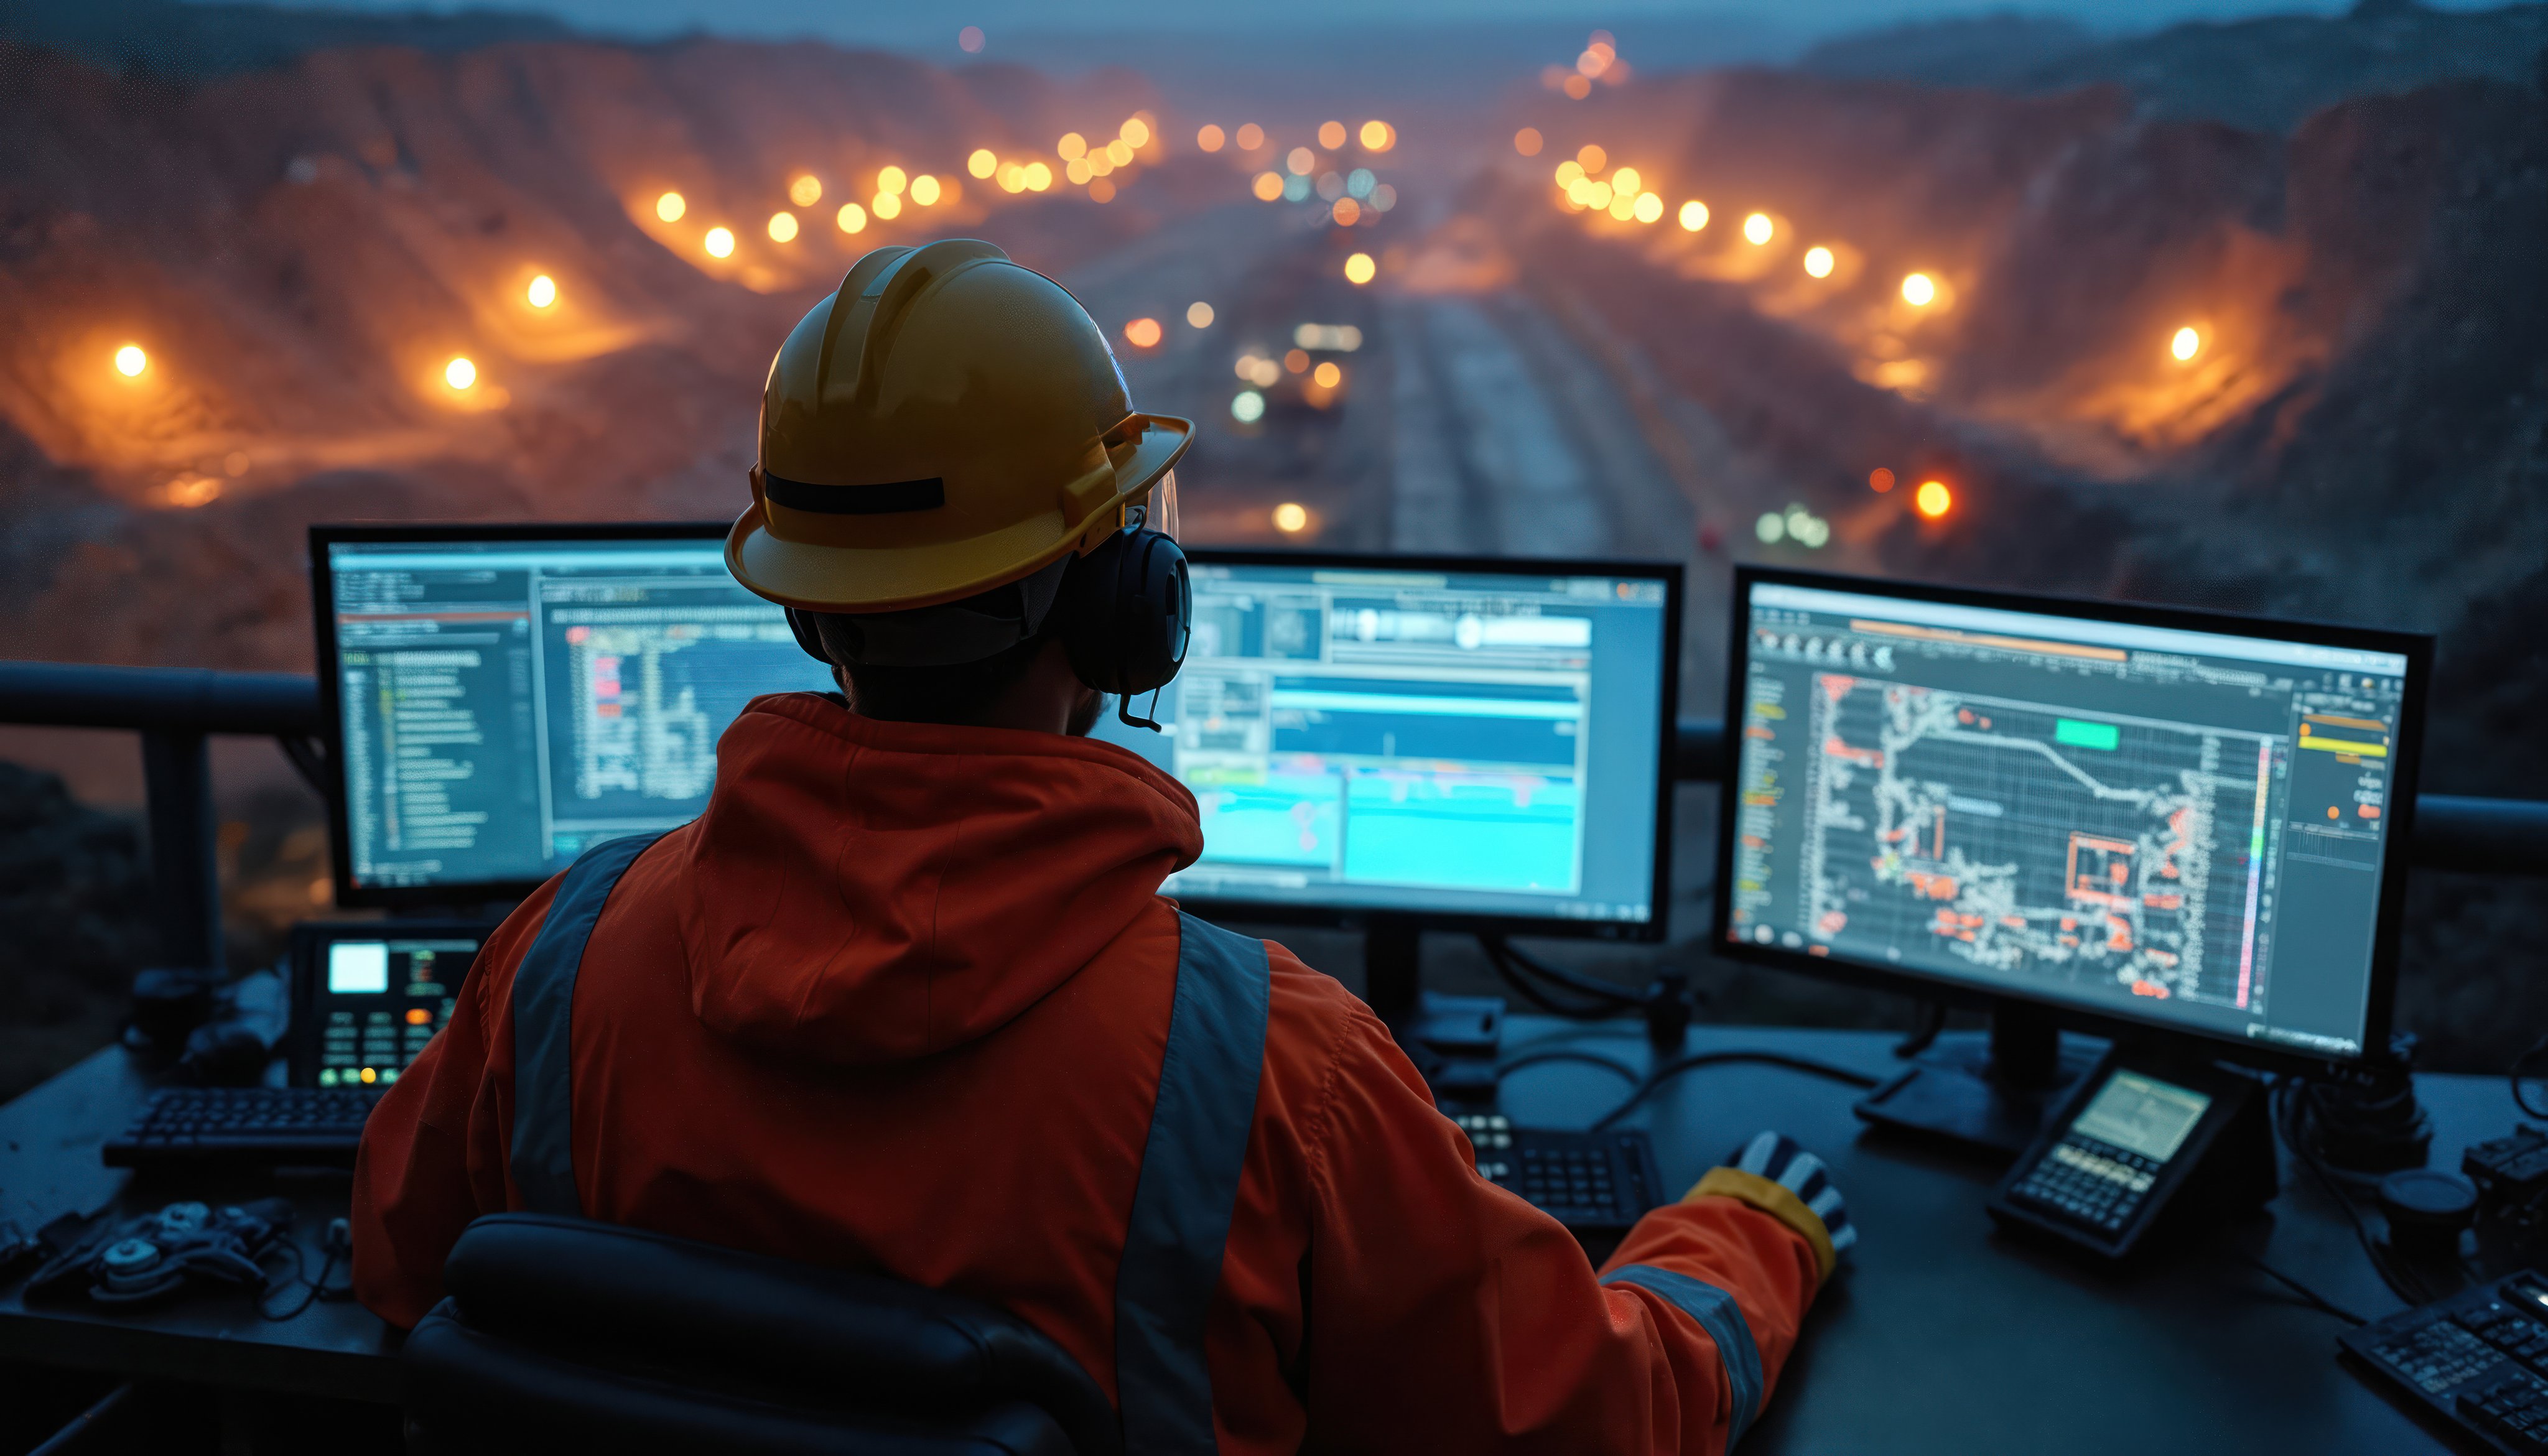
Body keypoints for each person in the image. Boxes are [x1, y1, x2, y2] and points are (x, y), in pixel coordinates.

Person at [353, 238, 1854, 1454]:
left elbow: (408, 1265)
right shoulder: (1272, 1070)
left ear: (805, 601)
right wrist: (1745, 1241)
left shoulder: (559, 954)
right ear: (1122, 607)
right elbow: (1592, 1420)